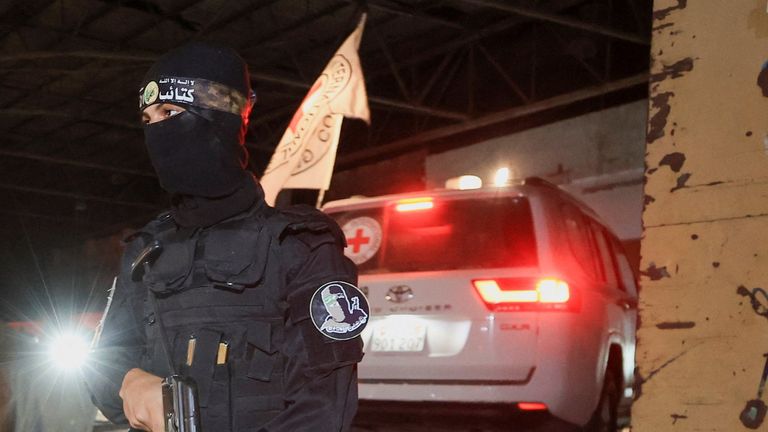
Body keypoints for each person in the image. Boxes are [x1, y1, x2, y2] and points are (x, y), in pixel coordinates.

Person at [85, 42, 368, 432]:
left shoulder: (300, 244)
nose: (156, 131)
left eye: (169, 112)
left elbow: (324, 405)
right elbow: (103, 362)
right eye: (147, 120)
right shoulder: (146, 250)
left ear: (222, 117)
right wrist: (128, 381)